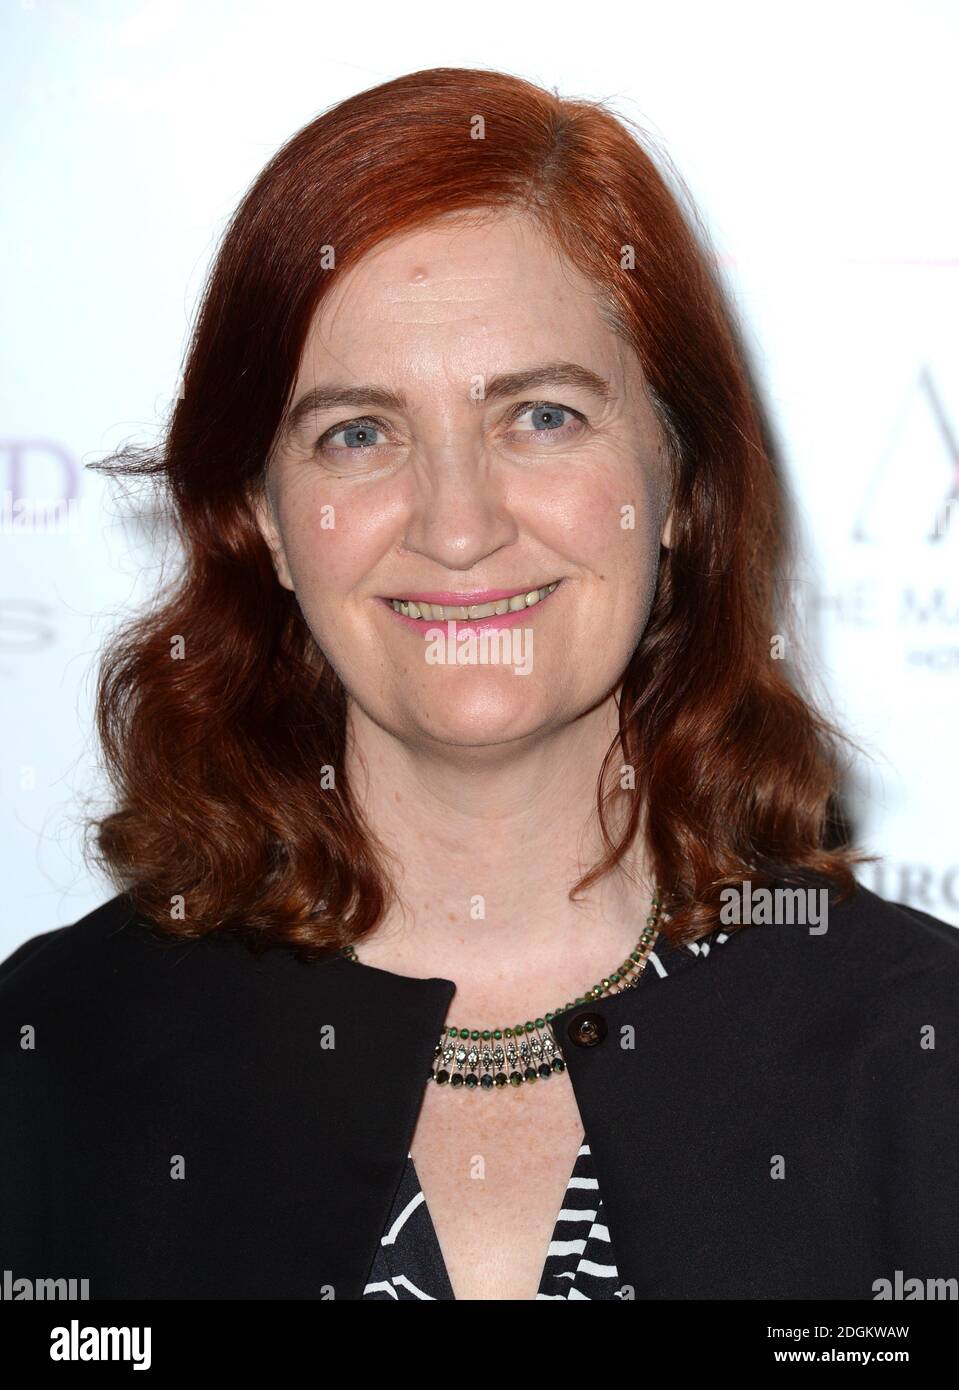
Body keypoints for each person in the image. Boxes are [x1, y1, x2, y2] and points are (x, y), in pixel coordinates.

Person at [2, 66, 957, 1303]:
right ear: (266, 520)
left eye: (542, 416)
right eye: (358, 431)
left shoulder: (921, 1056)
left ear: (677, 479)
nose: (457, 526)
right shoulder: (55, 1058)